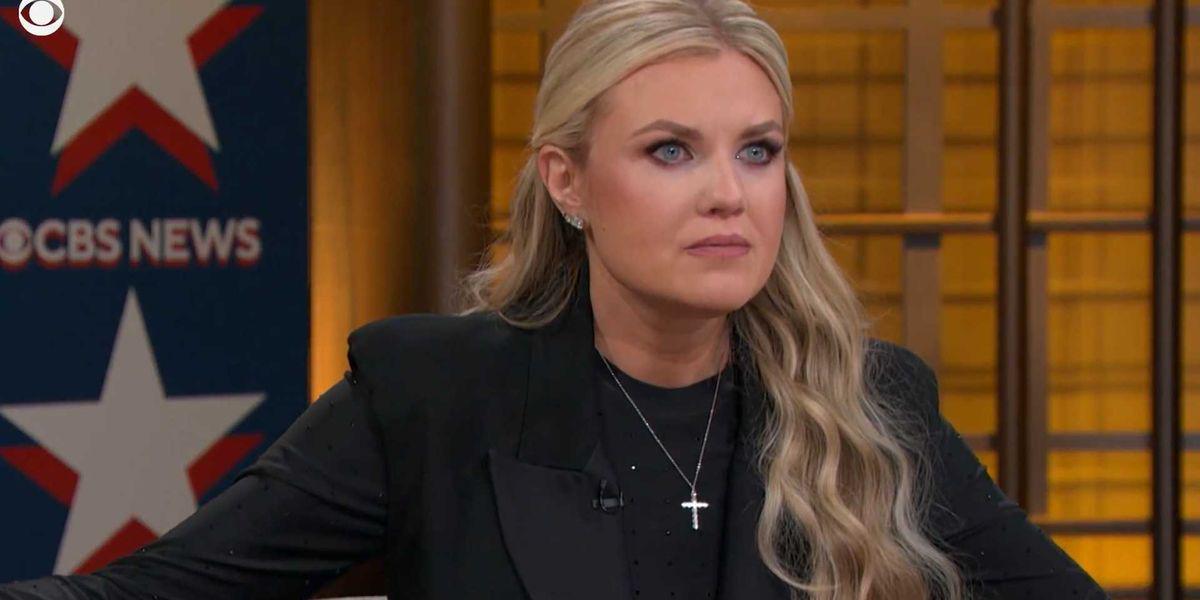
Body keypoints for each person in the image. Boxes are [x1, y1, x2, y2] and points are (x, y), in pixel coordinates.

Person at [1, 0, 1111, 598]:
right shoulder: (431, 397)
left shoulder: (872, 404)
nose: (729, 195)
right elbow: (158, 591)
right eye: (671, 150)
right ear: (566, 181)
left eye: (759, 150)